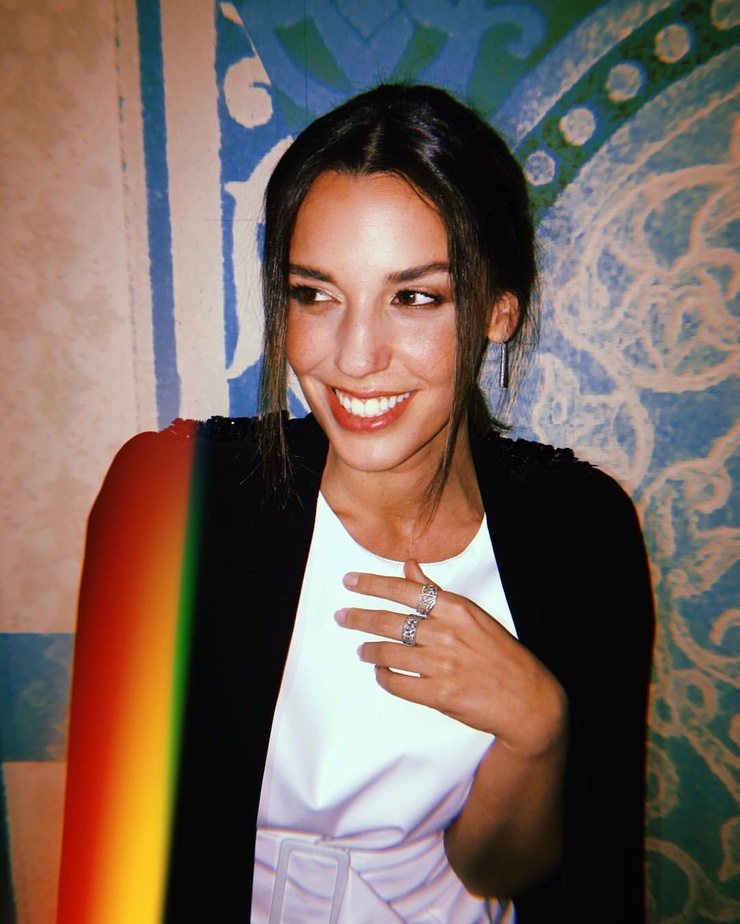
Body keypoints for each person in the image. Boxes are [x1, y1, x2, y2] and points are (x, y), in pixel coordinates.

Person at [60, 84, 654, 923]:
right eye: (315, 294)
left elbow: (507, 873)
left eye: (414, 296)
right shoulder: (167, 504)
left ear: (498, 310)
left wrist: (538, 727)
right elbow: (114, 861)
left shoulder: (583, 533)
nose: (355, 356)